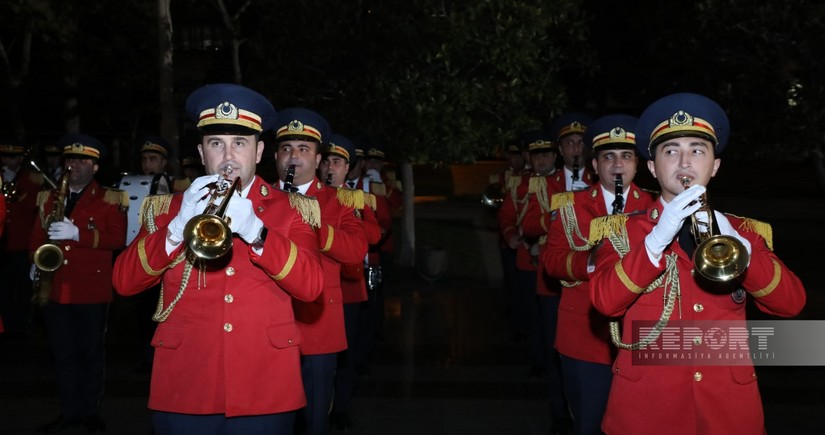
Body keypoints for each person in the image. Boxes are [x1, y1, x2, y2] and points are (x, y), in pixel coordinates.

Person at [112, 83, 324, 435]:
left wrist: (258, 232)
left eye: (239, 143)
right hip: (185, 384)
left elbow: (312, 287)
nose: (228, 157)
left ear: (258, 152)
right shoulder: (170, 208)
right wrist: (176, 229)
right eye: (216, 144)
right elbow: (124, 281)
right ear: (201, 152)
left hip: (265, 386)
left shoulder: (291, 209)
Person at [589, 93, 806, 434]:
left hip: (728, 412)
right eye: (671, 151)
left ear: (715, 166)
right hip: (646, 411)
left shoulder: (745, 231)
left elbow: (791, 304)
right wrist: (655, 241)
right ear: (651, 167)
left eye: (697, 150)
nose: (685, 162)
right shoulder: (621, 231)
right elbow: (604, 302)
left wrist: (742, 245)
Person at [542, 115, 657, 434]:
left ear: (638, 164)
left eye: (626, 156)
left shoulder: (656, 206)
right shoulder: (569, 206)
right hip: (584, 336)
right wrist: (591, 260)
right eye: (609, 156)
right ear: (594, 165)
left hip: (641, 337)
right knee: (588, 423)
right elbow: (551, 261)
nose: (618, 165)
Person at [271, 108, 367, 435]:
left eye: (303, 149)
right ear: (275, 157)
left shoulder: (337, 201)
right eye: (286, 149)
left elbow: (357, 250)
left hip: (317, 325)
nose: (293, 157)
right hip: (266, 326)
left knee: (315, 419)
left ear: (318, 159)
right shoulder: (257, 197)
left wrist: (318, 230)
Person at [30, 134, 128, 433]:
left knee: (90, 354)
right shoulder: (48, 197)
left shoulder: (111, 198)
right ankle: (69, 411)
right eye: (71, 159)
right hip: (56, 285)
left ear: (95, 167)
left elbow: (116, 239)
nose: (75, 165)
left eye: (83, 160)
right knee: (63, 354)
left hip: (91, 290)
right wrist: (33, 265)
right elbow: (37, 235)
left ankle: (89, 411)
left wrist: (78, 235)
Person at [322, 134, 383, 431]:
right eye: (327, 161)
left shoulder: (358, 199)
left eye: (338, 162)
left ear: (348, 169)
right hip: (316, 287)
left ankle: (341, 407)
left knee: (345, 354)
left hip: (346, 288)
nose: (330, 167)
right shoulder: (307, 197)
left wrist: (349, 220)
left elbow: (374, 236)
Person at [0, 138, 43, 339]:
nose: (6, 161)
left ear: (19, 159)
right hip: (3, 243)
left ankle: (23, 326)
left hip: (21, 242)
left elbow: (34, 205)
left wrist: (13, 188)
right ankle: (7, 325)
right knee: (4, 288)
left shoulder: (31, 178)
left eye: (11, 157)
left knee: (24, 288)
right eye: (4, 157)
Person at [549, 113, 596, 192]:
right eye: (570, 143)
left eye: (581, 142)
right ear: (561, 149)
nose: (576, 149)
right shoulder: (546, 185)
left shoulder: (599, 182)